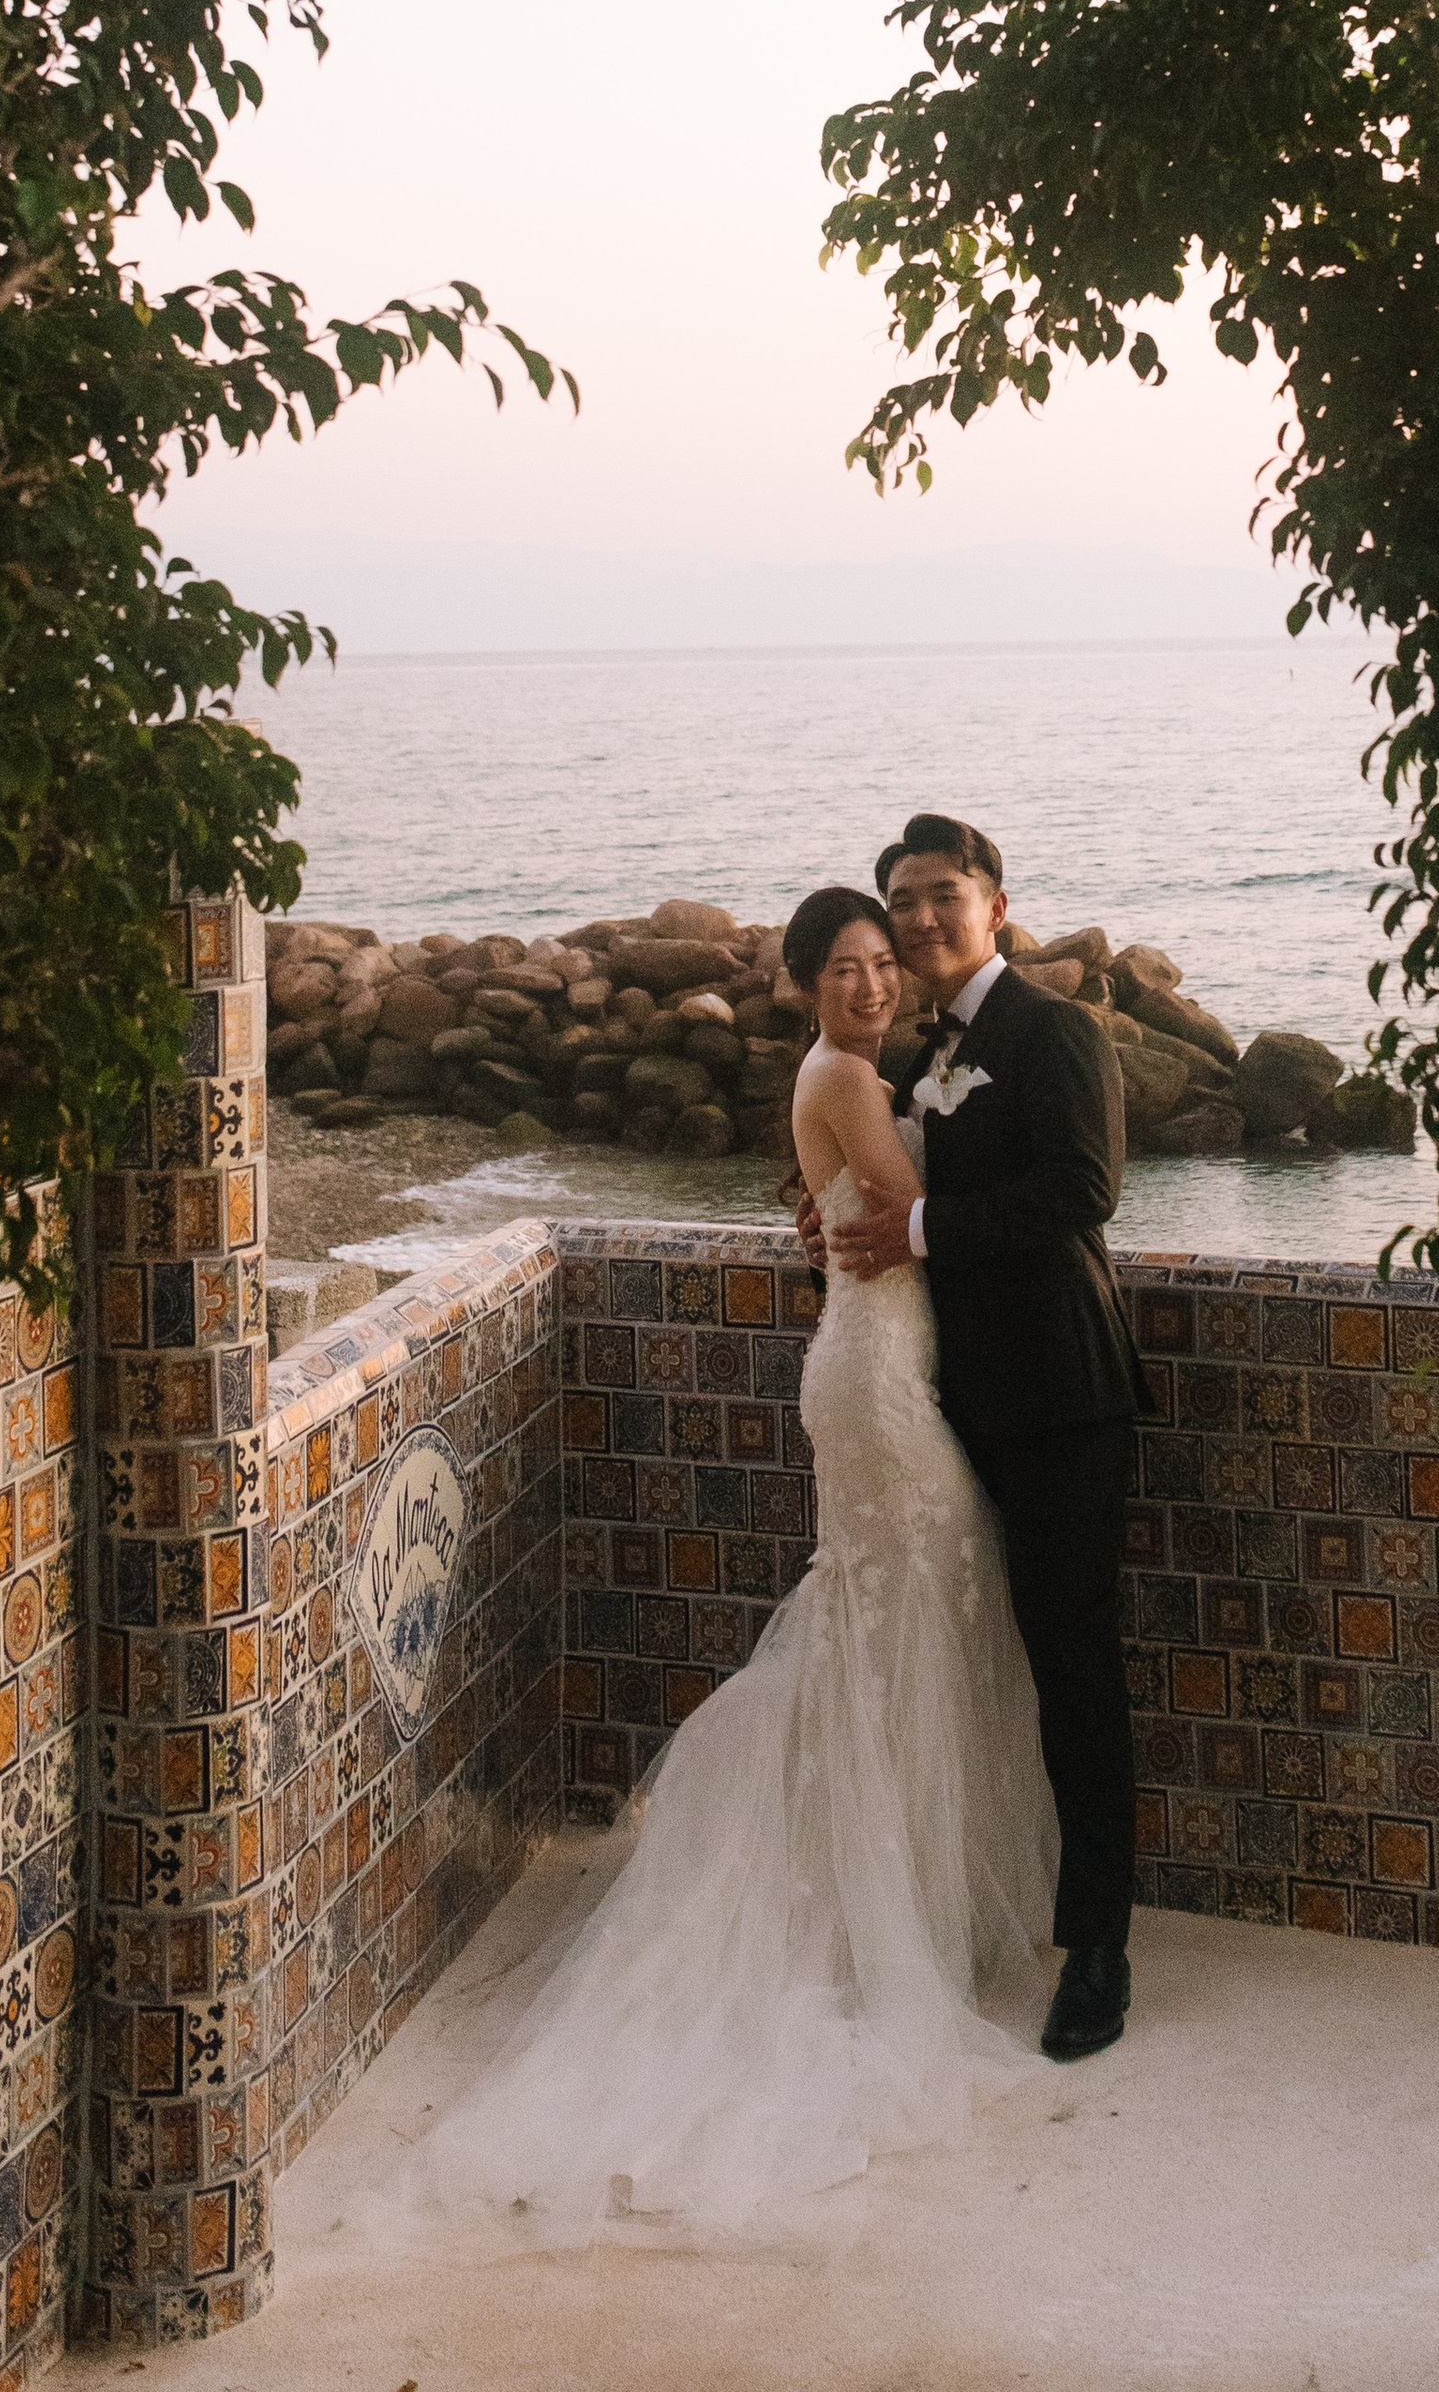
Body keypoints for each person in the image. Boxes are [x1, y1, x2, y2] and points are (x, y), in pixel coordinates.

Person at [398, 882, 1058, 2245]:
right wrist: (962, 1152)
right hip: (873, 1379)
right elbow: (913, 1205)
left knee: (896, 1622)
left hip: (883, 1364)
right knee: (899, 1615)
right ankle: (854, 1915)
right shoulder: (844, 1075)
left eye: (888, 967)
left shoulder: (853, 1074)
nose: (874, 987)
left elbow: (870, 1208)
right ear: (807, 983)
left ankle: (894, 1905)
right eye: (850, 969)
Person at [821, 811, 1148, 2068]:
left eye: (940, 895)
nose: (916, 918)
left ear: (994, 905)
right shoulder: (919, 1051)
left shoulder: (1052, 1027)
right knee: (982, 1656)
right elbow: (887, 1182)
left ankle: (1100, 1948)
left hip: (1064, 1396)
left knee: (1075, 1666)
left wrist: (914, 1236)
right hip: (954, 1402)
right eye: (899, 899)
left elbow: (1084, 1190)